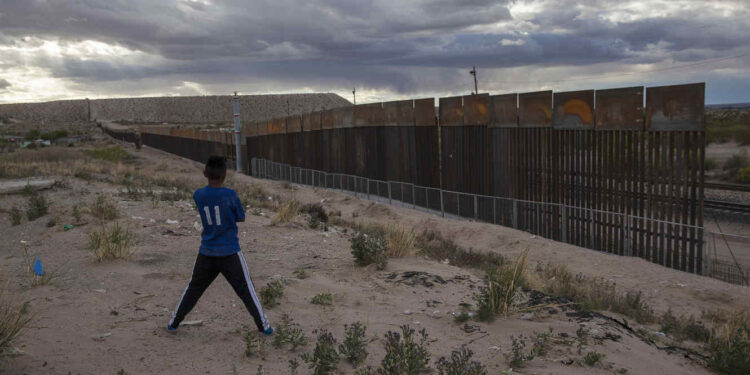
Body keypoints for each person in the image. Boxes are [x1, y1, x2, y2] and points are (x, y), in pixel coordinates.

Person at [168, 155, 272, 335]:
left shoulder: (198, 194)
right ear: (225, 175)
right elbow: (240, 216)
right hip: (229, 252)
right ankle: (265, 327)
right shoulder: (230, 195)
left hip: (206, 252)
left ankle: (174, 323)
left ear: (204, 173)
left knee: (193, 289)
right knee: (247, 290)